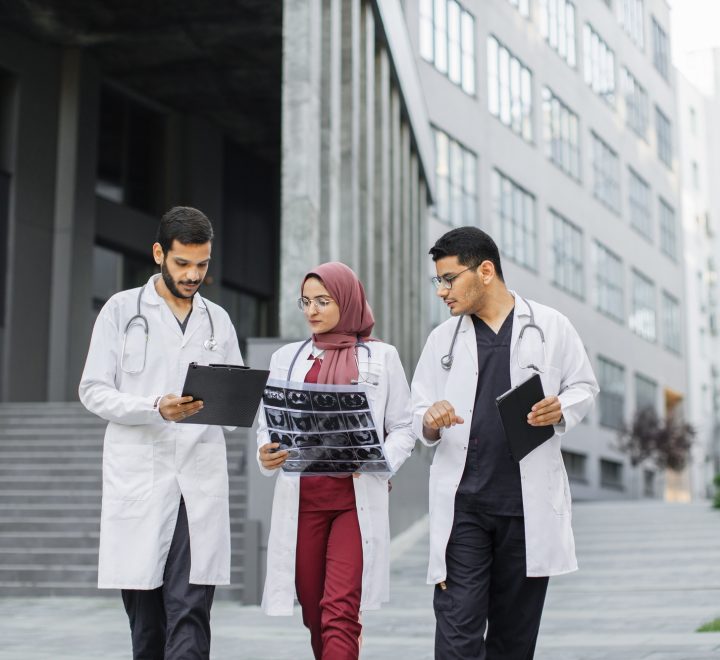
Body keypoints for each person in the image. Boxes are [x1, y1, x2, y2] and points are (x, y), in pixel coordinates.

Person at [411, 227, 599, 659]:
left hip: (525, 510)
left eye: (449, 278)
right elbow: (418, 409)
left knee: (513, 643)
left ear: (486, 271)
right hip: (465, 510)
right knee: (457, 638)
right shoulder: (443, 340)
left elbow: (584, 386)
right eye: (437, 280)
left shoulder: (551, 326)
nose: (441, 291)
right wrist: (430, 418)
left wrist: (562, 408)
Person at [79, 206, 243, 660]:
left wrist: (234, 400)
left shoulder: (218, 320)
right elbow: (93, 391)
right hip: (141, 480)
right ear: (159, 254)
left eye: (202, 264)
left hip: (198, 481)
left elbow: (232, 411)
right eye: (182, 263)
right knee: (147, 627)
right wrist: (155, 407)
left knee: (190, 614)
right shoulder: (121, 310)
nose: (193, 275)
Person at [256, 261, 416, 659]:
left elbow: (404, 428)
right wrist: (267, 451)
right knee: (313, 611)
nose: (312, 310)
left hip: (352, 503)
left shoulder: (381, 357)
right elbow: (268, 424)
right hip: (303, 502)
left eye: (323, 301)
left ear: (346, 301)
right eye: (306, 301)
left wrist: (378, 458)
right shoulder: (286, 358)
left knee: (339, 611)